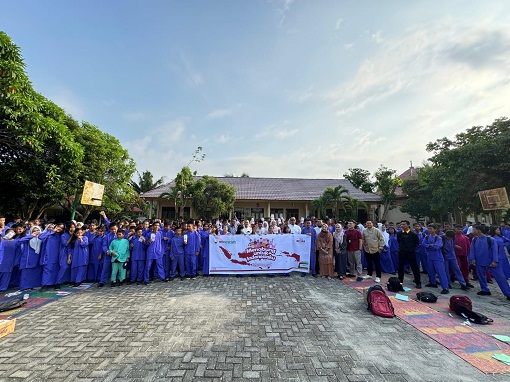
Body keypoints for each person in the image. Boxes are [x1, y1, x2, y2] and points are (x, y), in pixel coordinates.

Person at [469, 225, 510, 299]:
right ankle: (485, 290)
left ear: (479, 230)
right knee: (481, 276)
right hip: (479, 261)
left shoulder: (490, 239)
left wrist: (495, 260)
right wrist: (472, 259)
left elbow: (495, 251)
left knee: (500, 277)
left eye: (474, 229)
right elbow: (472, 250)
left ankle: (508, 293)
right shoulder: (474, 240)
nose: (472, 231)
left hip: (491, 262)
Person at [421, 224, 448, 294]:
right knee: (431, 271)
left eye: (431, 228)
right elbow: (423, 244)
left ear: (435, 229)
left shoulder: (438, 238)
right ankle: (433, 283)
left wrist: (428, 245)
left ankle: (445, 287)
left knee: (441, 273)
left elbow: (437, 247)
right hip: (429, 256)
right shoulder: (427, 237)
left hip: (437, 257)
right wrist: (430, 245)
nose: (429, 230)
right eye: (428, 228)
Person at [396, 221, 422, 289]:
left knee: (414, 268)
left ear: (408, 225)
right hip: (402, 252)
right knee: (400, 268)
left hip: (411, 253)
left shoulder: (413, 234)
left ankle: (418, 282)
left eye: (404, 224)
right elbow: (399, 241)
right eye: (401, 224)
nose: (402, 225)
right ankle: (400, 282)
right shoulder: (399, 234)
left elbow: (416, 243)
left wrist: (410, 248)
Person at [98, 223, 118, 287]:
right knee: (105, 268)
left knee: (115, 269)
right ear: (110, 229)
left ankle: (113, 281)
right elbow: (104, 245)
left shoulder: (120, 236)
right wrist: (107, 251)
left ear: (117, 228)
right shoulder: (106, 237)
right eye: (112, 229)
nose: (114, 231)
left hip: (116, 255)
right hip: (108, 255)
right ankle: (102, 281)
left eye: (115, 229)